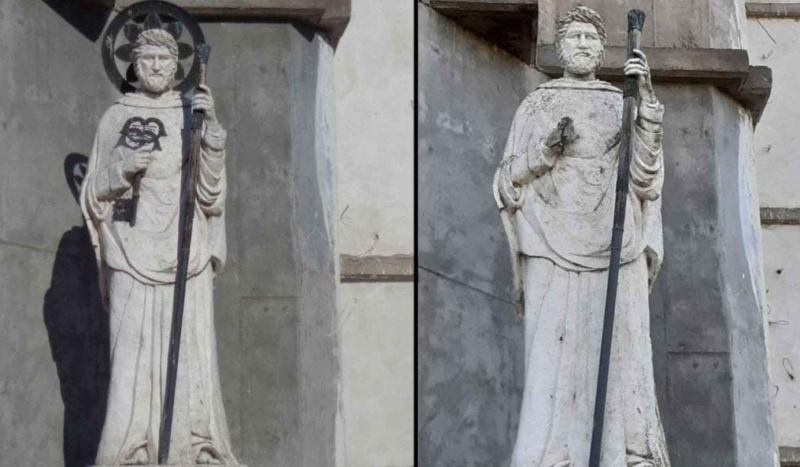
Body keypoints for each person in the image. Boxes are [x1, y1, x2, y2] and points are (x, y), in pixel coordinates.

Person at [493, 6, 670, 467]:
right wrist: (545, 151)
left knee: (623, 353)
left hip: (616, 245)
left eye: (591, 38)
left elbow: (645, 178)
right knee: (551, 353)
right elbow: (507, 183)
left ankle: (625, 453)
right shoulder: (538, 105)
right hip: (548, 242)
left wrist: (647, 107)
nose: (584, 45)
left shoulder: (621, 101)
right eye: (575, 37)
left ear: (603, 49)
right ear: (559, 48)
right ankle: (552, 454)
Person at [80, 27, 236, 465]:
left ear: (177, 66)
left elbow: (210, 196)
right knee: (130, 355)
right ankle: (129, 449)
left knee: (191, 353)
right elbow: (93, 194)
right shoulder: (116, 116)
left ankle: (195, 444)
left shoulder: (193, 113)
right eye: (146, 58)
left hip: (186, 253)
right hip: (129, 250)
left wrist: (212, 134)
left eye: (164, 60)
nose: (154, 66)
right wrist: (121, 168)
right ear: (133, 64)